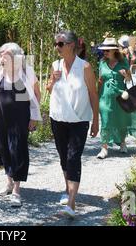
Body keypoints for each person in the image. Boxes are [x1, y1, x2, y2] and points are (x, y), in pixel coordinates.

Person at [46, 30, 99, 219]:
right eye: (56, 44)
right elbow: (49, 89)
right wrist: (53, 80)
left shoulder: (84, 67)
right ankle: (70, 196)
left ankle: (70, 203)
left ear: (71, 45)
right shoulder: (55, 65)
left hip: (79, 120)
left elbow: (93, 94)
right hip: (58, 118)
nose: (57, 48)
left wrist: (96, 121)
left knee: (73, 158)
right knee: (63, 158)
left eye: (60, 44)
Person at [0, 43, 42, 207]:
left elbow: (37, 95)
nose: (3, 55)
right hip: (3, 118)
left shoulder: (27, 72)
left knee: (17, 148)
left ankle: (17, 189)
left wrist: (34, 116)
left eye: (7, 53)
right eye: (1, 53)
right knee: (3, 147)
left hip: (20, 117)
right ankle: (9, 183)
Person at [96, 37, 133, 159]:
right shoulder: (102, 62)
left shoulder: (123, 63)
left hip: (120, 95)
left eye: (107, 50)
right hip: (105, 96)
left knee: (120, 120)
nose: (105, 52)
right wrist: (96, 94)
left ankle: (122, 142)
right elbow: (100, 80)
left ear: (114, 51)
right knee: (105, 120)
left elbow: (129, 80)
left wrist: (125, 75)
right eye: (104, 50)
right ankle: (104, 147)